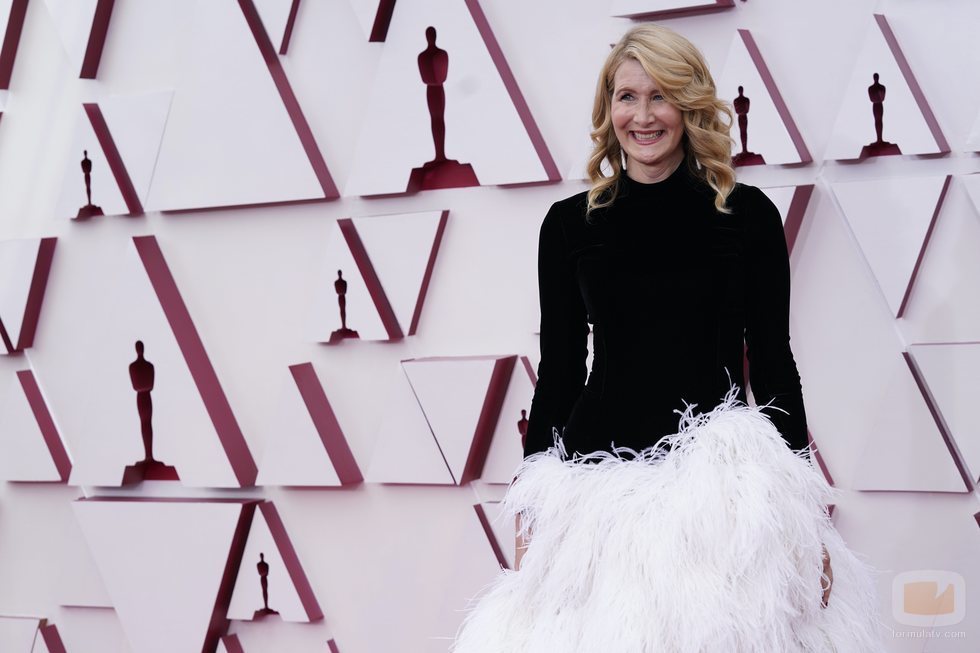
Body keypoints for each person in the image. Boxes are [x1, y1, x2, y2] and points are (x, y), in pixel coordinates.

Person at [451, 23, 884, 653]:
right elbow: (562, 373)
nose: (643, 116)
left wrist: (803, 516)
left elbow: (773, 364)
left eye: (661, 96)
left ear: (689, 106)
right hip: (596, 499)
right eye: (627, 97)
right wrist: (533, 506)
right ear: (608, 110)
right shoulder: (571, 225)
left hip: (720, 498)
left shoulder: (747, 216)